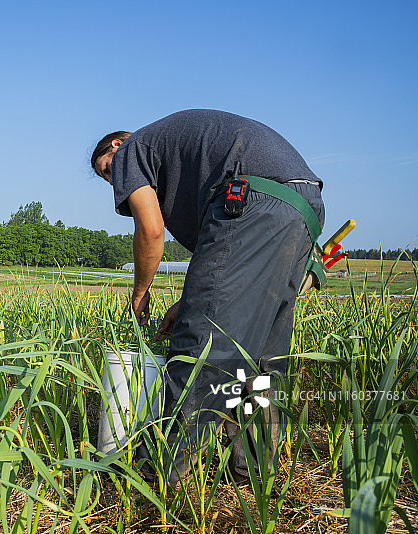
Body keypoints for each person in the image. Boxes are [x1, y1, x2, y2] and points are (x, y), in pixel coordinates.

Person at [91, 109, 324, 485]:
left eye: (107, 171)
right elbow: (227, 268)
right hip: (302, 206)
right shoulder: (185, 152)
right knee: (261, 358)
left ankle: (160, 479)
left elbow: (151, 231)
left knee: (202, 348)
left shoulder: (132, 151)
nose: (114, 181)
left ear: (117, 146)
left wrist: (140, 293)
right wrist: (187, 301)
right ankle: (253, 479)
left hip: (250, 200)